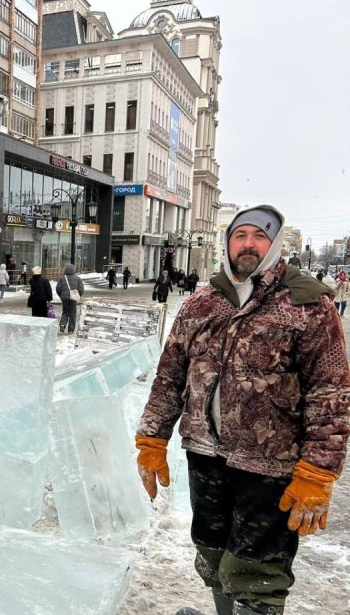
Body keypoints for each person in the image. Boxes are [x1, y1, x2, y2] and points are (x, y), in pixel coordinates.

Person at [135, 205, 350, 615]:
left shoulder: (306, 304)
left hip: (270, 466)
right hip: (205, 456)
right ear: (229, 243)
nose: (248, 243)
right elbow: (169, 377)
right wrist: (151, 438)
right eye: (240, 235)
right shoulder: (203, 303)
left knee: (257, 570)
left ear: (274, 244)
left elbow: (331, 393)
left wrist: (319, 471)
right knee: (212, 555)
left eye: (259, 236)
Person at [56, 263, 83, 333]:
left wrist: (61, 295)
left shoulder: (62, 278)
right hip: (73, 298)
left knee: (65, 311)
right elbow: (81, 289)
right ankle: (71, 329)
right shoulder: (78, 279)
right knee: (72, 313)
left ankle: (62, 324)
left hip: (64, 298)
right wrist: (77, 295)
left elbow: (58, 288)